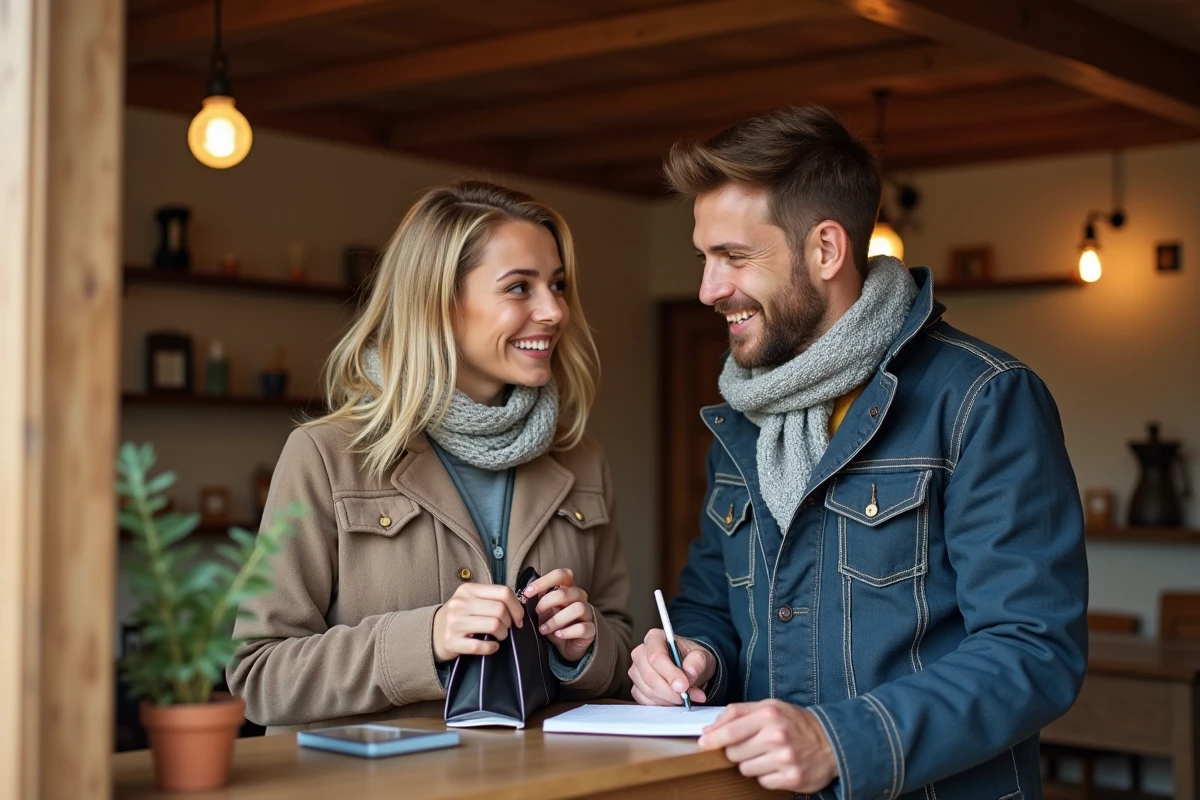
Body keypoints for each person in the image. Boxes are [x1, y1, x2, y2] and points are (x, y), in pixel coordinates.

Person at [629, 106, 1087, 799]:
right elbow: (714, 606)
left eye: (734, 258)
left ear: (825, 250)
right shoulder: (745, 420)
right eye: (704, 259)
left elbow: (1033, 650)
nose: (708, 290)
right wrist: (691, 655)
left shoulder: (983, 399)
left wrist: (841, 742)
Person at [228, 180, 633, 732]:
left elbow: (622, 645)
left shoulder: (582, 460)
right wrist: (428, 638)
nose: (555, 310)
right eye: (519, 288)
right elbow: (260, 677)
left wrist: (588, 645)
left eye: (557, 285)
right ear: (439, 304)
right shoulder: (325, 456)